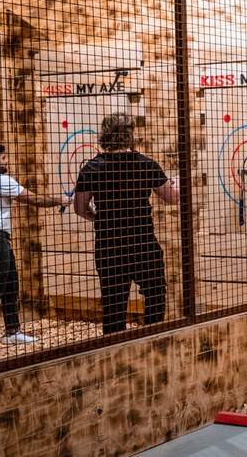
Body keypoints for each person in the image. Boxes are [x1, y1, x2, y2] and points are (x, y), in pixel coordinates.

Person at [73, 112, 179, 333]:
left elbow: (80, 208)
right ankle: (153, 341)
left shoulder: (92, 168)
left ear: (105, 135)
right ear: (129, 135)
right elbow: (172, 197)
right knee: (155, 295)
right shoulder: (145, 164)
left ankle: (114, 350)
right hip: (143, 243)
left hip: (110, 245)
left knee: (113, 305)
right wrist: (175, 182)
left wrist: (100, 219)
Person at [0, 144, 70, 354]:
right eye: (4, 158)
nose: (6, 162)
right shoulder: (1, 180)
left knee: (11, 283)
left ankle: (12, 331)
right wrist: (60, 199)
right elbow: (35, 199)